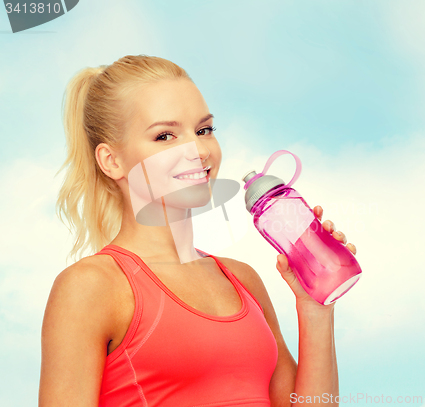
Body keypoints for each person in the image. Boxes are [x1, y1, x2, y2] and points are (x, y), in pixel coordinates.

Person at [39, 55, 357, 407]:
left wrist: (316, 310)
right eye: (165, 136)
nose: (198, 150)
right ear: (112, 160)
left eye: (203, 130)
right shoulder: (91, 287)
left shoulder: (242, 279)